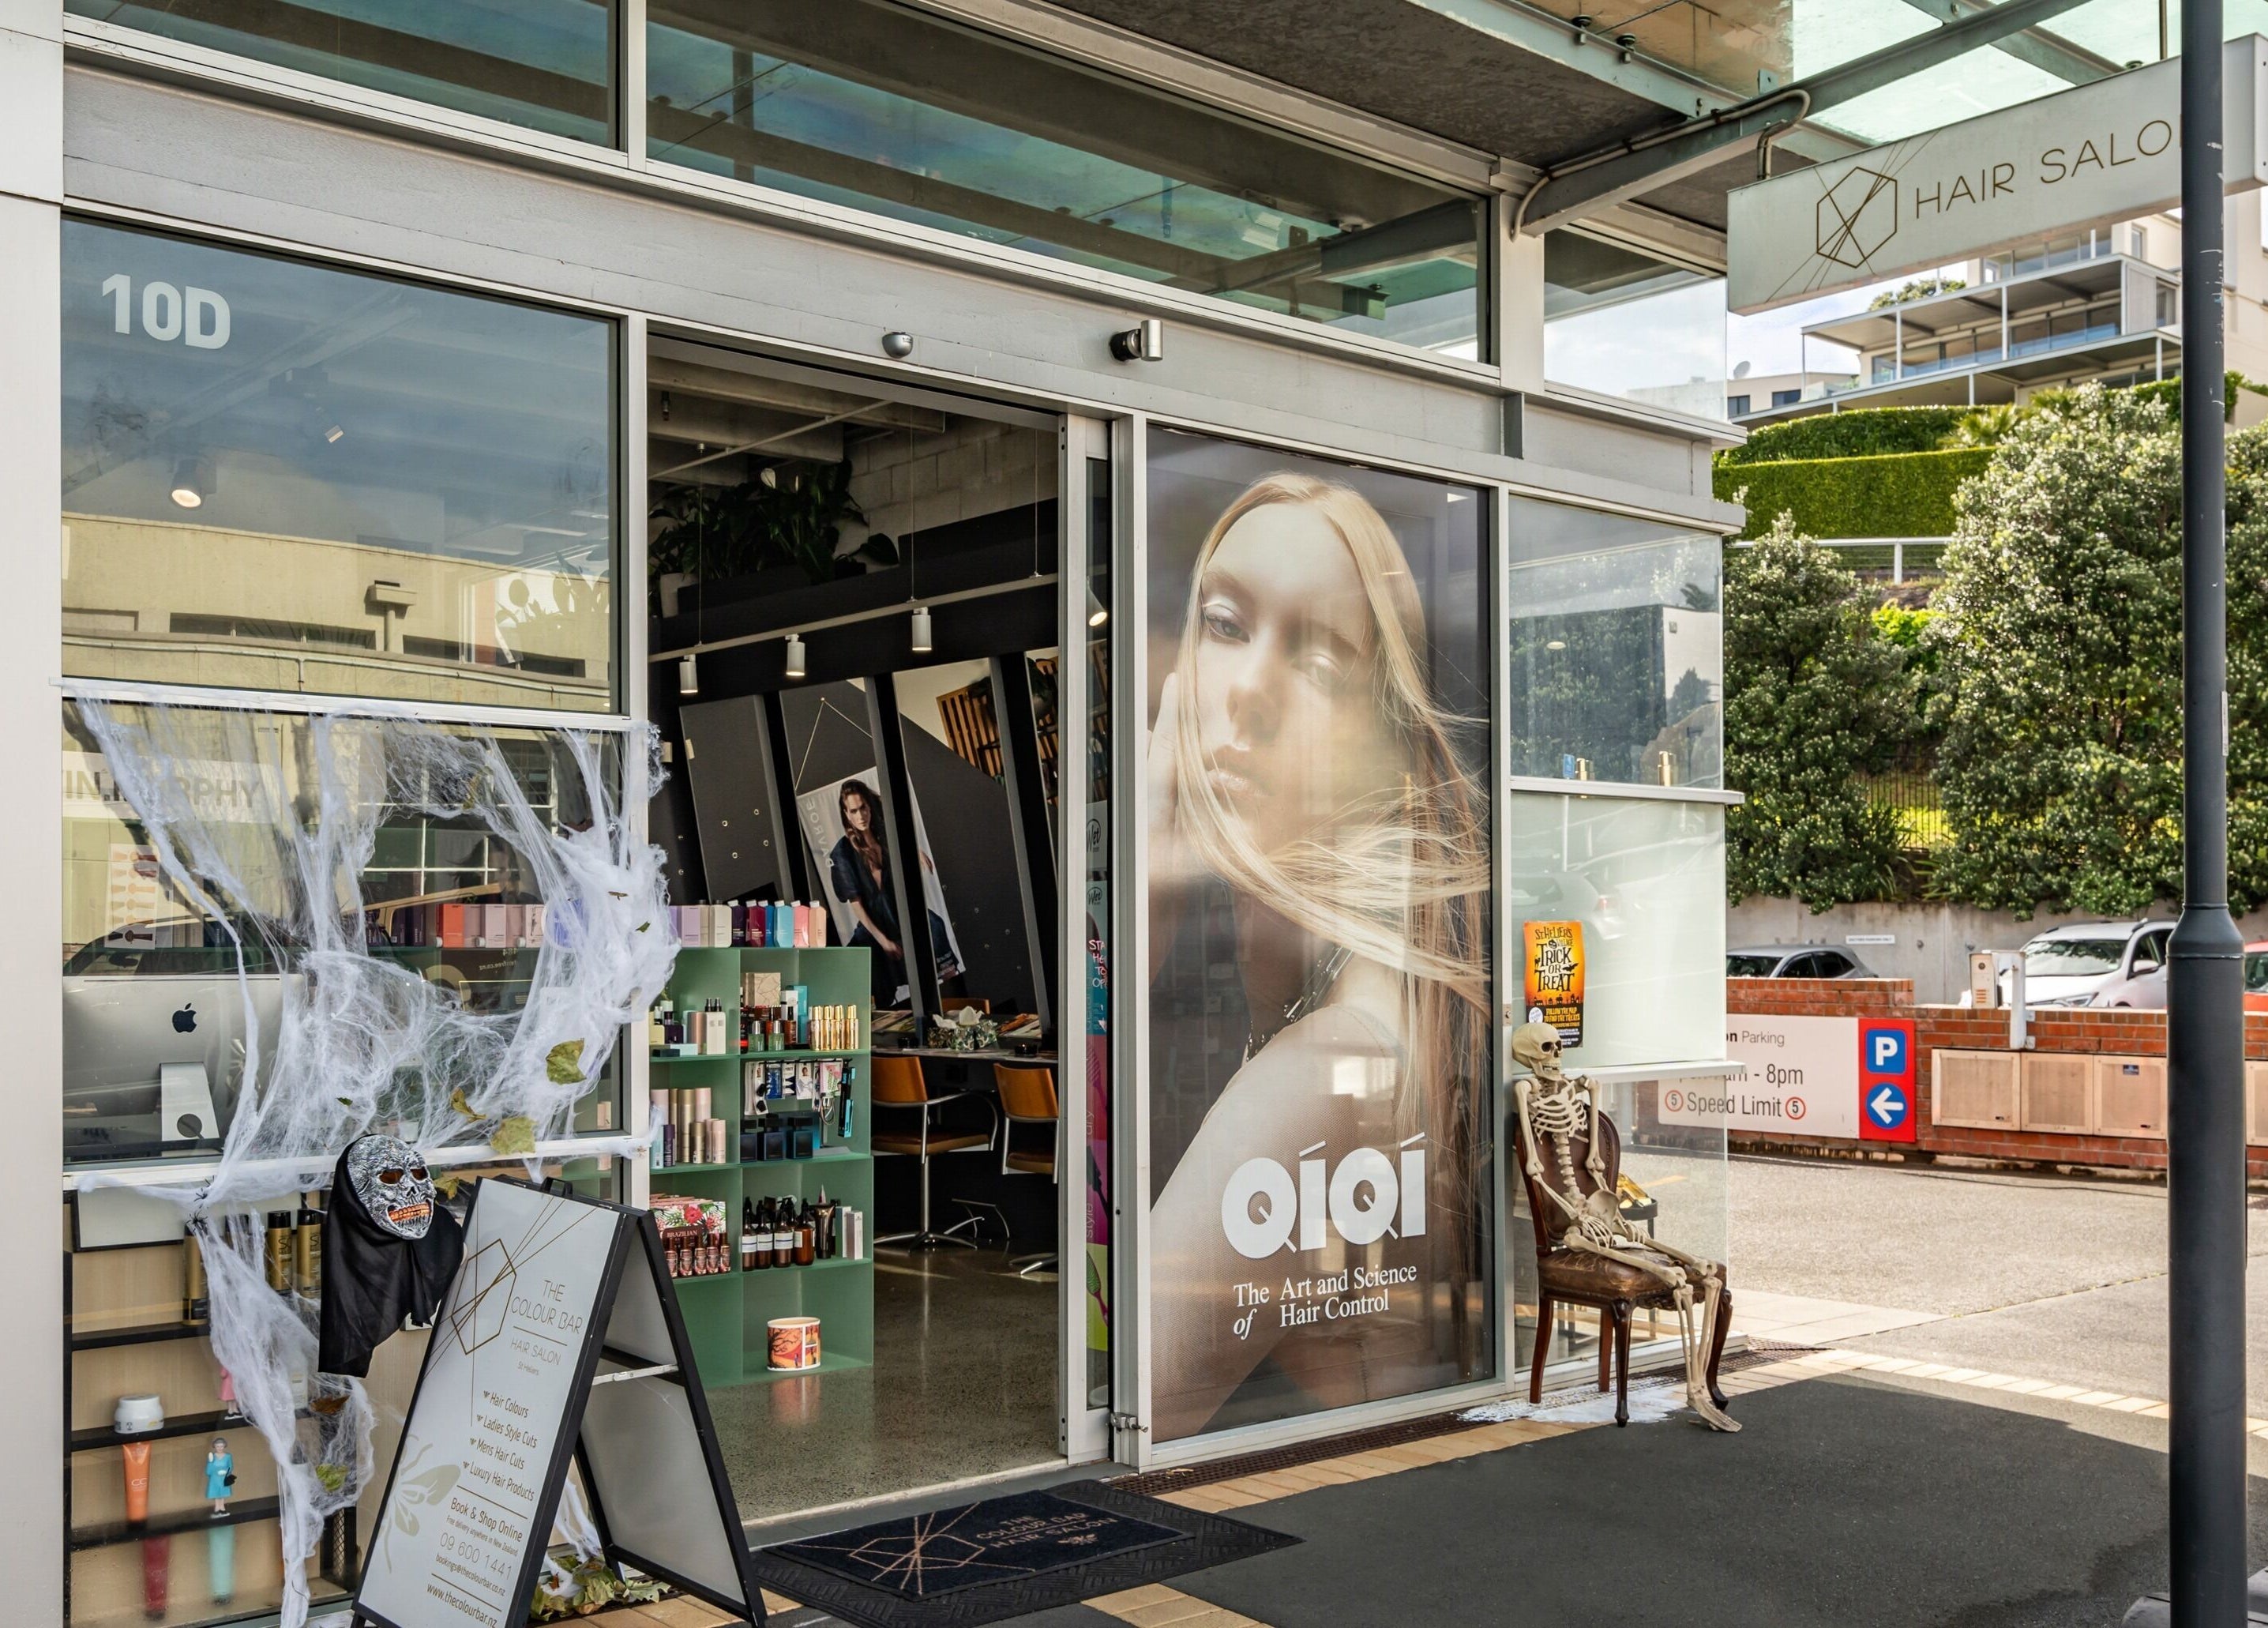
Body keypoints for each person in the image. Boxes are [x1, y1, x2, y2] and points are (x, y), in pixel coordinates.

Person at [1147, 472, 1489, 1442]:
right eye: (1222, 624)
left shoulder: (1315, 1078)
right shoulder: (1342, 1013)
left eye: (1321, 665)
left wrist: (1140, 896)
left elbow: (1114, 1415)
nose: (1247, 690)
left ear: (1383, 742)